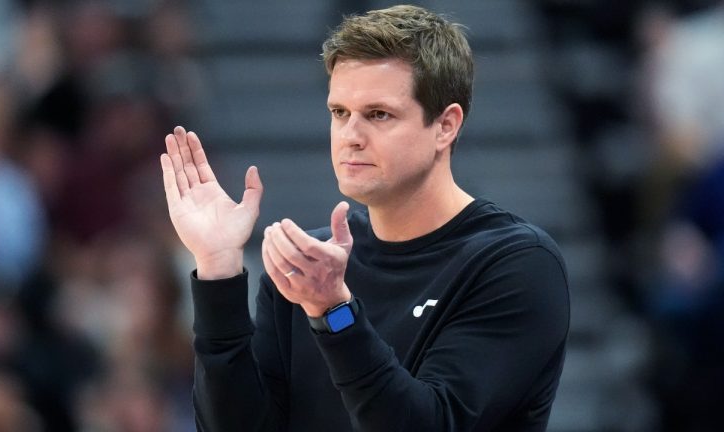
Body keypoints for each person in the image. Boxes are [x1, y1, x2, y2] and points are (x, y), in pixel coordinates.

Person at [160, 5, 569, 431]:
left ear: (446, 125)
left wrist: (333, 312)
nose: (350, 136)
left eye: (378, 114)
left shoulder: (516, 264)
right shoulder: (307, 270)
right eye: (339, 112)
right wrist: (218, 270)